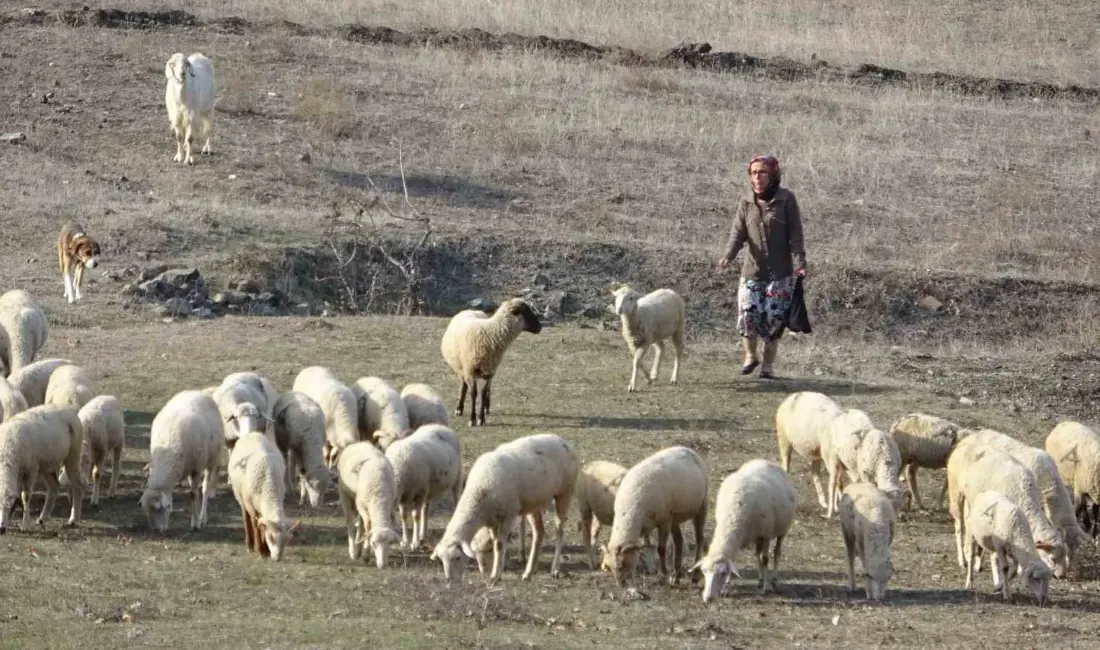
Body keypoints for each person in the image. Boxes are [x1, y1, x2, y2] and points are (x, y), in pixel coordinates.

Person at [716, 155, 808, 379]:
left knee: (773, 321)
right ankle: (750, 356)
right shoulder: (746, 202)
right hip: (752, 272)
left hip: (780, 274)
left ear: (773, 175)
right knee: (747, 314)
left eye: (762, 172)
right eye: (754, 172)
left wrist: (800, 262)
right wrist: (728, 255)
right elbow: (737, 233)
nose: (757, 177)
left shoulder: (786, 199)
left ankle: (767, 367)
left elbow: (796, 234)